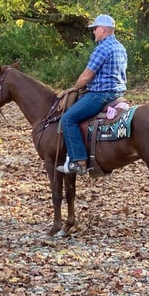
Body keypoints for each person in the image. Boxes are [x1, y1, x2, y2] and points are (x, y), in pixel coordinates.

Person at [57, 14, 128, 175]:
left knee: (68, 119)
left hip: (100, 95)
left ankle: (79, 160)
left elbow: (87, 76)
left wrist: (73, 89)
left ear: (103, 29)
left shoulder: (102, 48)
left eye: (95, 29)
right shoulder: (120, 47)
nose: (94, 32)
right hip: (118, 94)